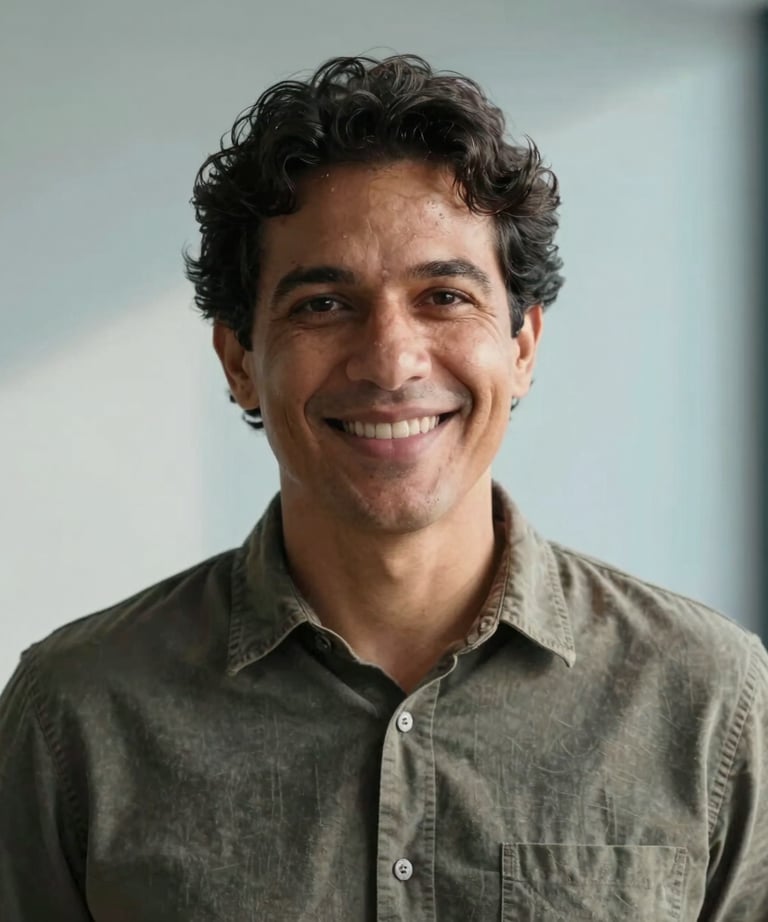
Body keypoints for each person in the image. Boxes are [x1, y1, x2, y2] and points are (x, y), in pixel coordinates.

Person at [0, 54, 766, 921]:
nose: (392, 361)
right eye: (323, 304)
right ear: (239, 359)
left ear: (521, 347)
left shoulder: (710, 699)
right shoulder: (75, 716)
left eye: (443, 295)